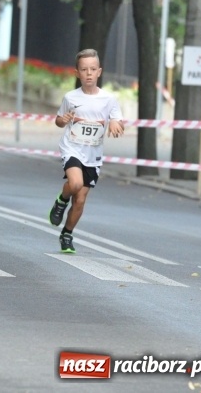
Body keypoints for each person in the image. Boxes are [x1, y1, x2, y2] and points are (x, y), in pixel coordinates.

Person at [48, 48, 125, 254]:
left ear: (99, 72)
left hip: (93, 155)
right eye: (84, 70)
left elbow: (116, 117)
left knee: (80, 200)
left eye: (92, 69)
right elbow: (59, 119)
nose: (88, 73)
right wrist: (61, 120)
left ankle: (67, 233)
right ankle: (61, 201)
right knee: (75, 183)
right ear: (77, 73)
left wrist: (115, 124)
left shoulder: (108, 99)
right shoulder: (71, 97)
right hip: (72, 148)